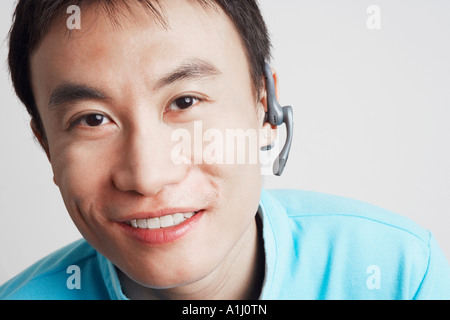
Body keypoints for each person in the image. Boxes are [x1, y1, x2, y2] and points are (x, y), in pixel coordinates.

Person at [1, 0, 449, 300]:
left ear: (263, 107)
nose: (147, 175)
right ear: (46, 145)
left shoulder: (397, 275)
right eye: (93, 119)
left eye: (185, 102)